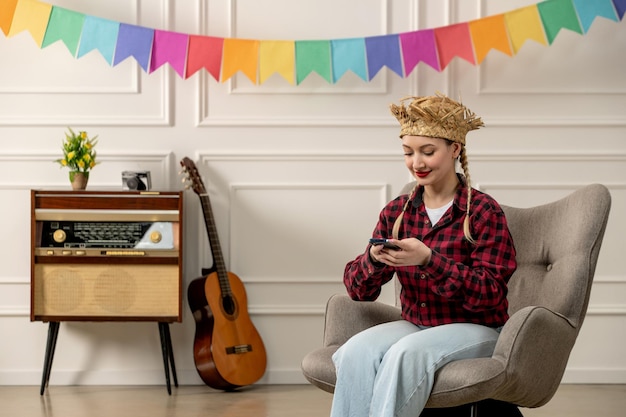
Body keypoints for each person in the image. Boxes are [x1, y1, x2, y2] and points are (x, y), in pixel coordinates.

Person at [330, 93, 517, 417]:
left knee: (405, 355)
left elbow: (491, 293)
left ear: (455, 149)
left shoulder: (483, 211)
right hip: (419, 324)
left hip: (480, 328)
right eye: (408, 152)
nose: (417, 162)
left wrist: (430, 261)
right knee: (353, 352)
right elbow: (359, 292)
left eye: (427, 151)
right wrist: (374, 260)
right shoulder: (398, 212)